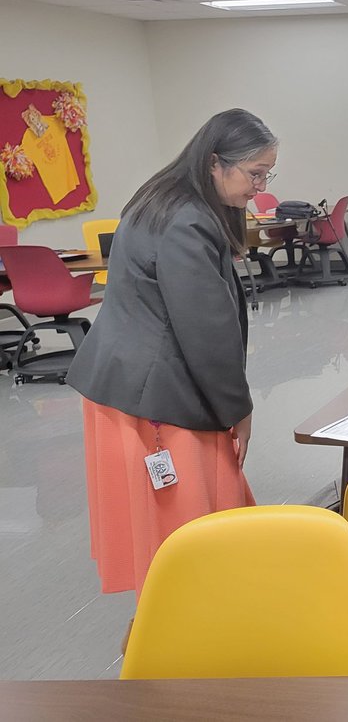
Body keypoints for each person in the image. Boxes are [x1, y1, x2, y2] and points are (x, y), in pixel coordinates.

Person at [67, 108, 276, 598]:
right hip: (157, 396)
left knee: (161, 531)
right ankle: (185, 619)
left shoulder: (163, 197)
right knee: (188, 531)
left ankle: (174, 612)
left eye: (267, 174)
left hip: (130, 384)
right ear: (215, 162)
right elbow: (206, 330)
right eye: (255, 174)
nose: (260, 188)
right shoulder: (186, 222)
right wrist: (238, 410)